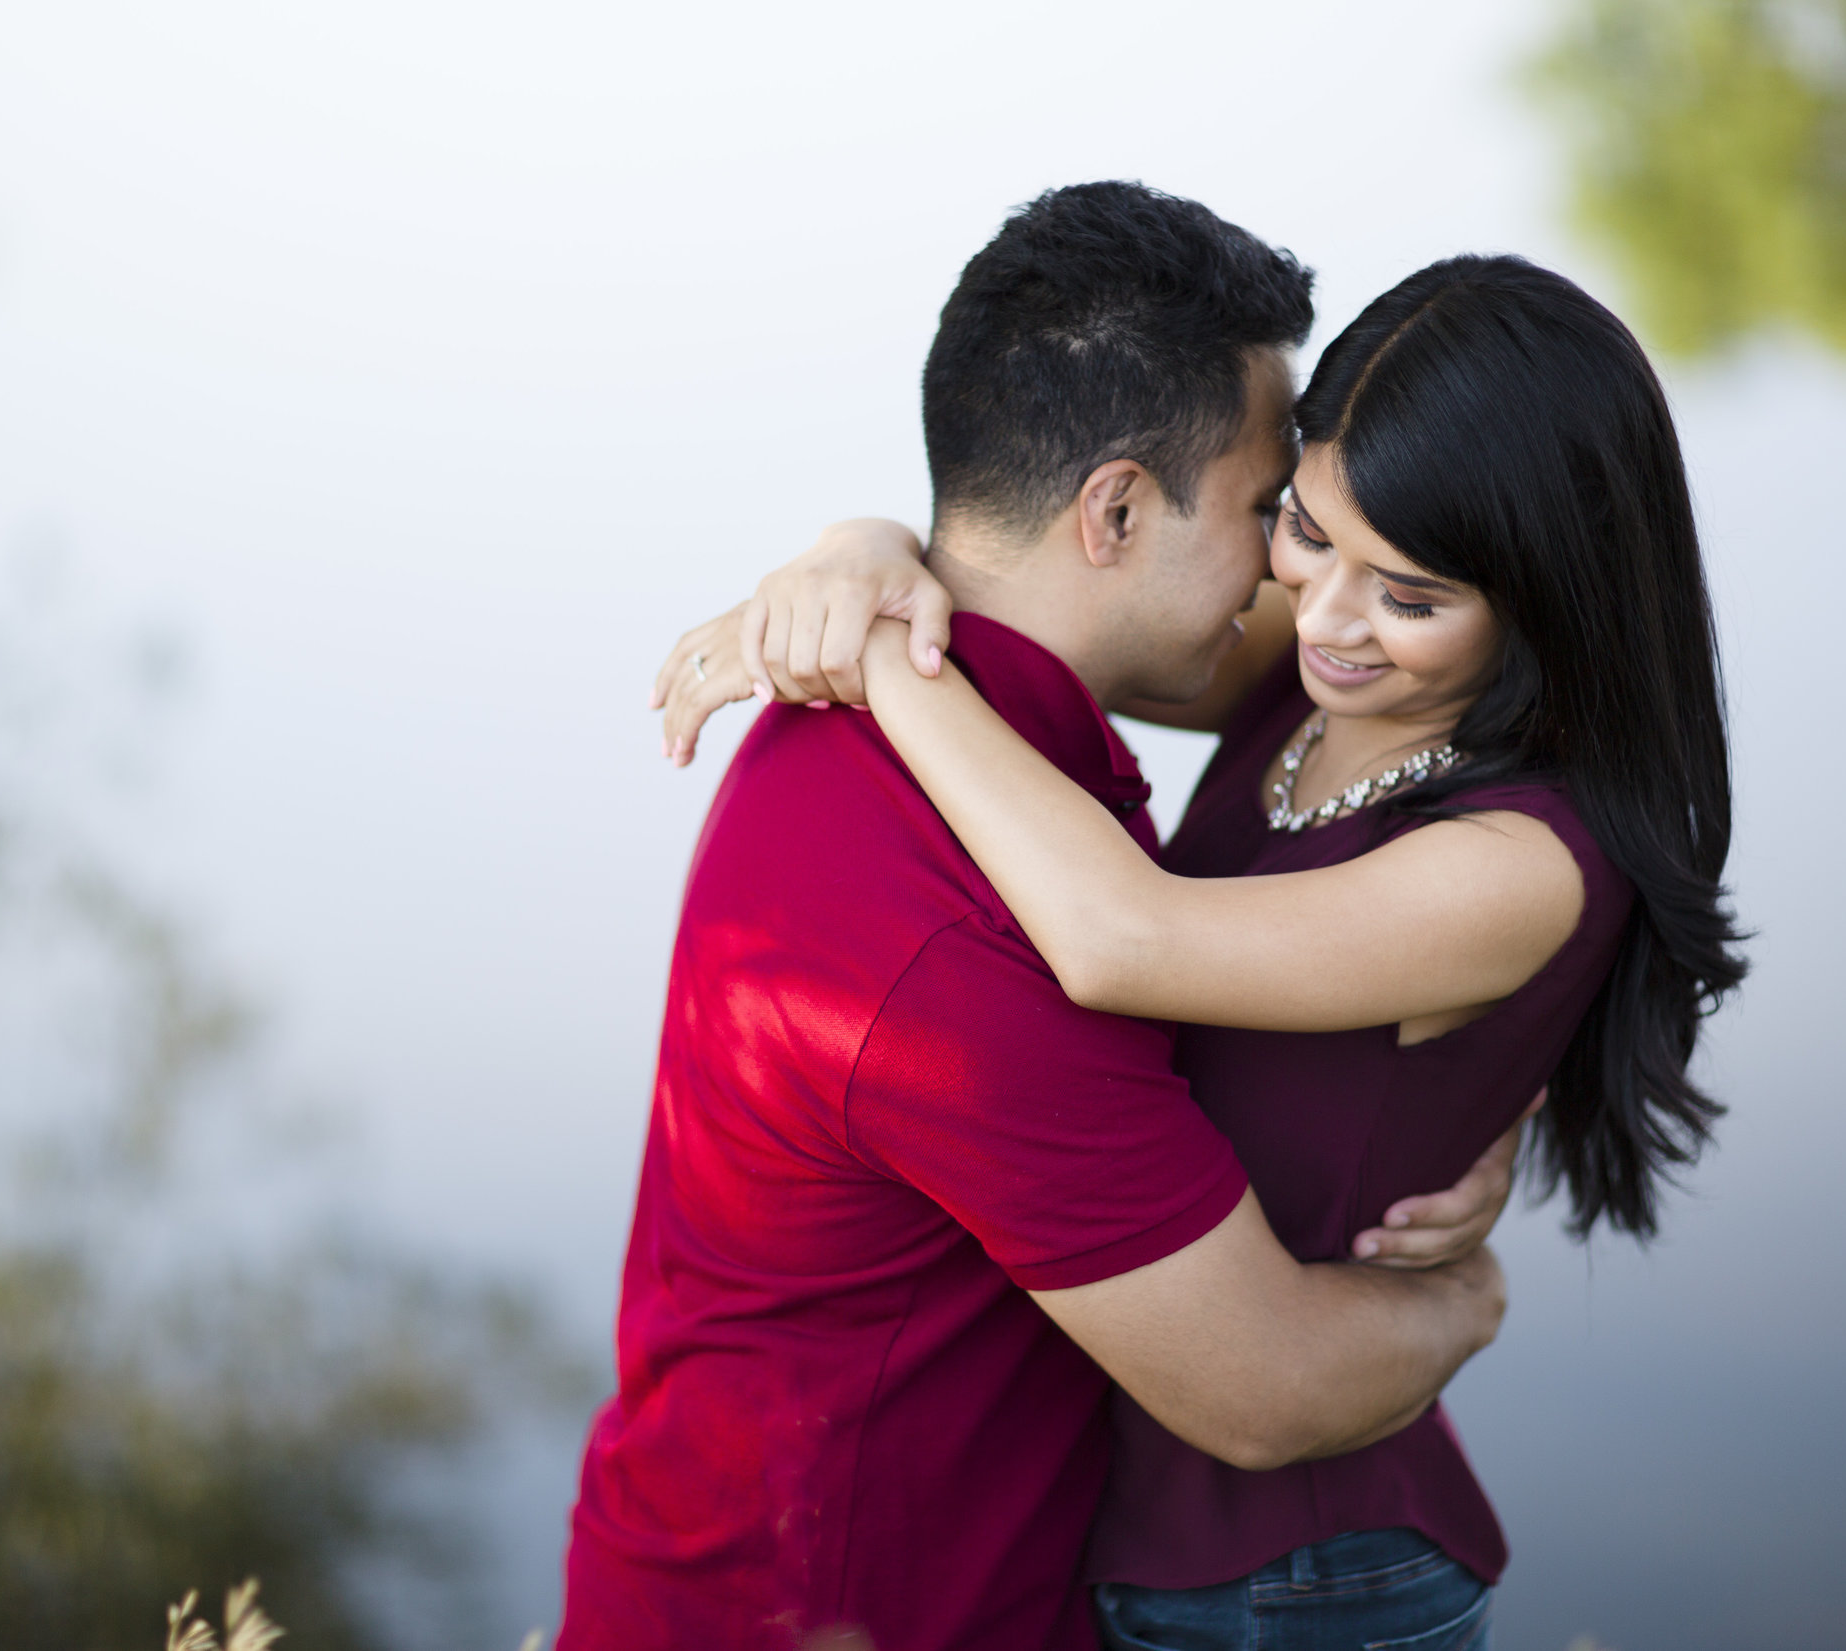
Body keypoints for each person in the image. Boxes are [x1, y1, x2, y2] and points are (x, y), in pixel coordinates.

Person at [659, 253, 1749, 1649]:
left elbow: (1124, 939)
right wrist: (864, 544)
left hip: (1304, 1575)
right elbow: (1056, 590)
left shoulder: (1517, 865)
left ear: (1541, 596)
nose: (1330, 616)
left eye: (1411, 595)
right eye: (1302, 528)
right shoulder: (1320, 677)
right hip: (1142, 1529)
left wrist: (876, 655)